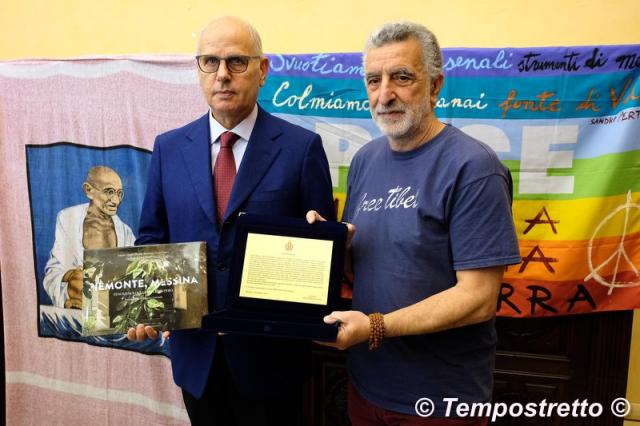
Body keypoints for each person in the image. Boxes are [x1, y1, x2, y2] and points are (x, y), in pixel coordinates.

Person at [307, 22, 521, 425]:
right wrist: (329, 247)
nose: (385, 94)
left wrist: (375, 327)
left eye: (402, 77)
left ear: (435, 85)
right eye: (374, 80)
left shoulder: (474, 167)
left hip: (439, 401)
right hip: (366, 385)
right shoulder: (365, 160)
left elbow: (479, 298)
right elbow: (372, 267)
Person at [130, 16, 335, 426]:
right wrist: (144, 306)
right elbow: (152, 238)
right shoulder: (169, 148)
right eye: (210, 61)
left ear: (263, 69)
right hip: (197, 360)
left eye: (237, 61)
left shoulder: (301, 148)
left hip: (271, 363)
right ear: (198, 70)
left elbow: (323, 251)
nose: (222, 74)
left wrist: (320, 244)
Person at [43, 165, 135, 309]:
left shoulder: (126, 232)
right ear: (88, 190)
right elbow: (53, 273)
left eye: (119, 194)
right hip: (78, 298)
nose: (116, 201)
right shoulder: (68, 218)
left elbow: (134, 277)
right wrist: (72, 276)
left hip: (114, 303)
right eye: (109, 192)